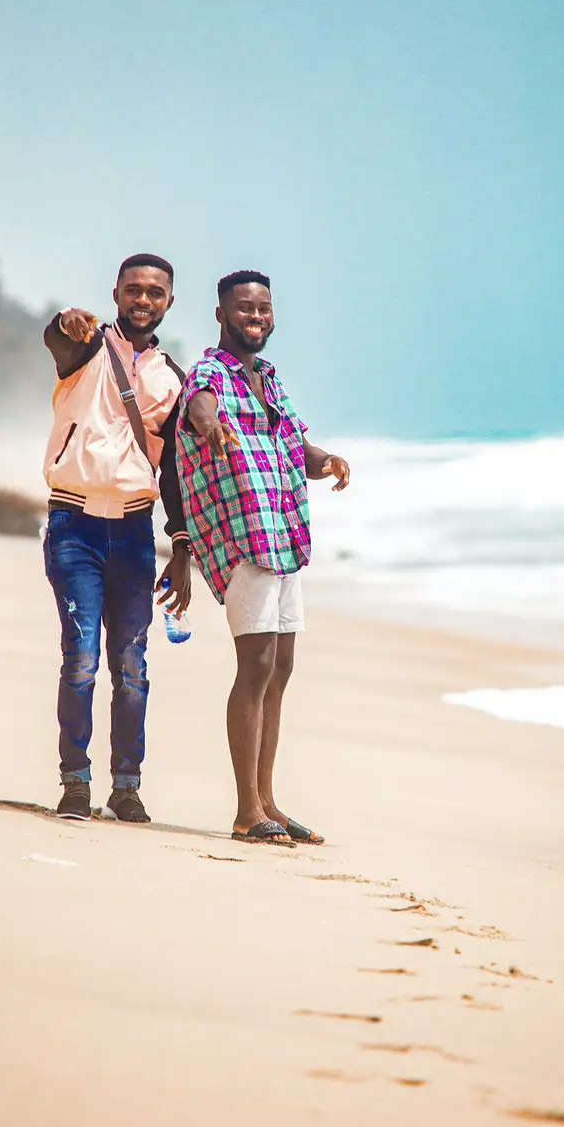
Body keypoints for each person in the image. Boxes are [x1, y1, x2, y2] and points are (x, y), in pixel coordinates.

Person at [177, 270, 350, 847]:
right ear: (221, 315)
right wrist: (211, 428)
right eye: (244, 309)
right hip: (244, 537)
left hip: (284, 539)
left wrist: (327, 461)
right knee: (254, 667)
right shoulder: (211, 373)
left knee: (281, 668)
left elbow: (294, 443)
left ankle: (268, 799)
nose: (255, 318)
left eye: (263, 309)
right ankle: (247, 809)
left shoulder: (268, 378)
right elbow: (199, 409)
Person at [41, 254, 192, 822]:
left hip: (133, 530)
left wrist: (182, 546)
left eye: (155, 292)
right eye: (133, 289)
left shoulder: (173, 379)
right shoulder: (84, 350)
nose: (143, 299)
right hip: (73, 525)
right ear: (116, 294)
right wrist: (65, 323)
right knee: (80, 658)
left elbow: (175, 471)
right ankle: (75, 783)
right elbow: (58, 338)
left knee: (132, 666)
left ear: (169, 302)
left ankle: (126, 787)